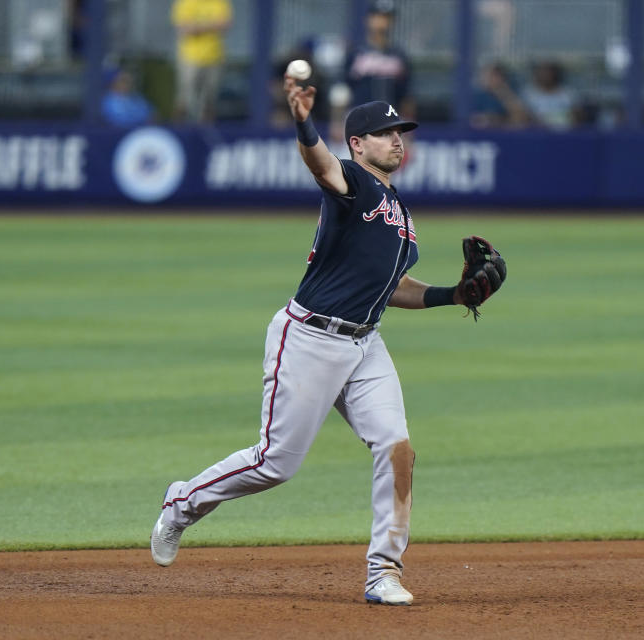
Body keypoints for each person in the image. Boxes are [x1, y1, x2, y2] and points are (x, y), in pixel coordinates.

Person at [149, 75, 506, 606]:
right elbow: (319, 163)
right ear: (358, 144)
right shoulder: (352, 185)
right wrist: (301, 119)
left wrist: (453, 295)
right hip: (310, 339)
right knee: (276, 464)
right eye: (385, 133)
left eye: (400, 131)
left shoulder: (400, 214)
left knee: (397, 447)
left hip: (366, 345)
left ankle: (383, 571)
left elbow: (392, 288)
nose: (397, 140)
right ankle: (183, 501)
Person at [344, 0, 414, 118]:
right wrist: (337, 121)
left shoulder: (399, 55)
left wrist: (408, 123)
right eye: (377, 16)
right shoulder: (355, 53)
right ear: (368, 19)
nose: (382, 22)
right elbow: (341, 91)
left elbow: (406, 95)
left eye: (386, 17)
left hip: (390, 120)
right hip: (361, 120)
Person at [170, 0, 232, 123]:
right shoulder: (186, 2)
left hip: (214, 58)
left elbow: (225, 25)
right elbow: (184, 29)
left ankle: (205, 134)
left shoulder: (220, 2)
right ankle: (178, 132)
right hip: (189, 58)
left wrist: (197, 26)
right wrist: (212, 25)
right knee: (185, 99)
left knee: (209, 100)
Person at [520, 60, 578, 130]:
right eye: (542, 71)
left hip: (564, 133)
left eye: (548, 71)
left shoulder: (568, 93)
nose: (545, 75)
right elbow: (522, 117)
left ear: (555, 73)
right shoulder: (528, 93)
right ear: (536, 73)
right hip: (536, 133)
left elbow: (577, 116)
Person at [470, 62, 529, 128]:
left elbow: (520, 118)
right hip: (483, 134)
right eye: (486, 75)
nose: (489, 79)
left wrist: (502, 91)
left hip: (507, 133)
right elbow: (474, 120)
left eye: (494, 75)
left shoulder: (512, 91)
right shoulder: (478, 95)